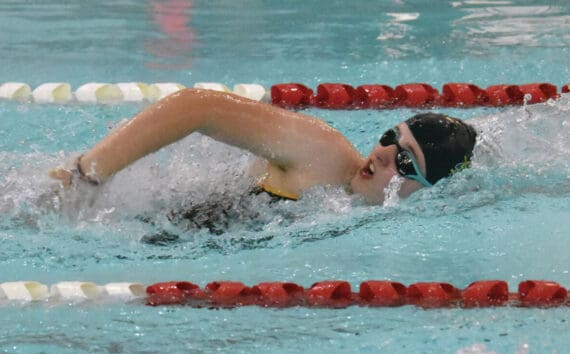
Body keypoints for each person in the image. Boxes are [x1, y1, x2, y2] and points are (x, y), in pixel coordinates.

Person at [49, 88, 477, 205]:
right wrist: (87, 175)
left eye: (403, 160)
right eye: (389, 137)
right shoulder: (322, 153)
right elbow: (201, 106)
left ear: (427, 189)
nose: (382, 152)